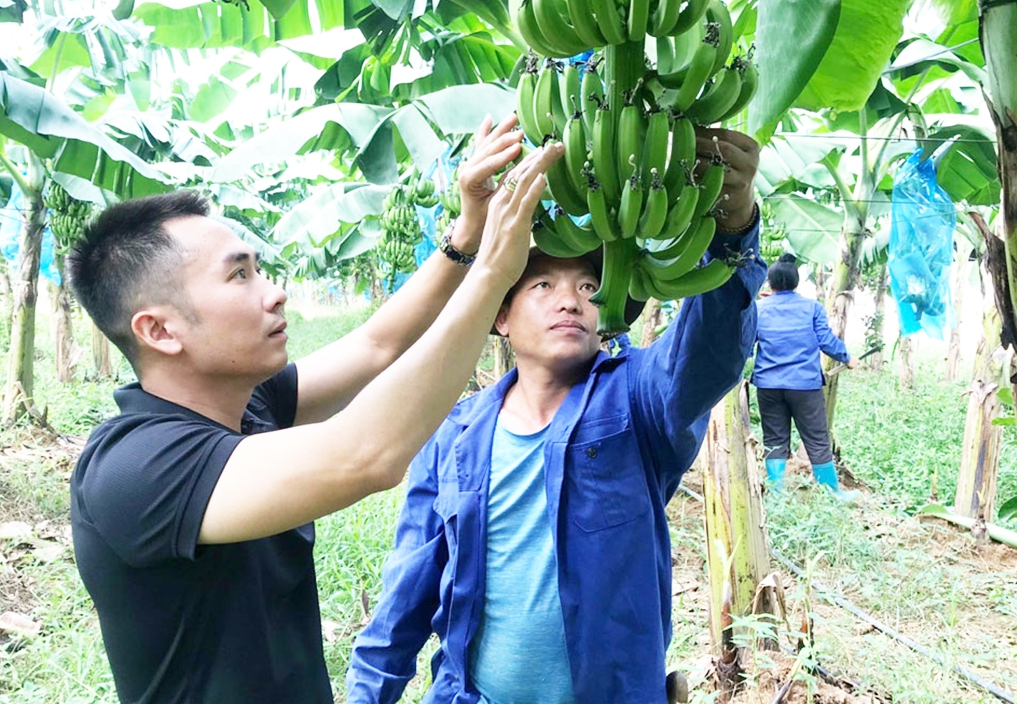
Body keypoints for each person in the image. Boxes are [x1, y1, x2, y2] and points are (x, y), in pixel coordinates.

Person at [65, 114, 565, 704]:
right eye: (240, 276)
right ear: (160, 331)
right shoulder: (134, 468)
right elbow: (366, 455)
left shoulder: (248, 407)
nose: (273, 291)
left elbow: (377, 345)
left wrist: (466, 234)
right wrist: (492, 277)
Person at [345, 129, 767, 704]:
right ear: (501, 318)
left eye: (590, 285)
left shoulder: (638, 401)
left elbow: (709, 352)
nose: (571, 300)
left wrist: (735, 228)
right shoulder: (454, 434)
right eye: (542, 284)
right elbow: (408, 588)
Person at [752, 253, 860, 499]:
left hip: (768, 386)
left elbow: (746, 345)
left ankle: (777, 495)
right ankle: (833, 493)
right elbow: (826, 341)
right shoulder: (811, 308)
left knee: (774, 438)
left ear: (771, 283)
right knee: (817, 438)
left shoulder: (758, 309)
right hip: (804, 386)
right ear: (796, 282)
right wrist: (848, 358)